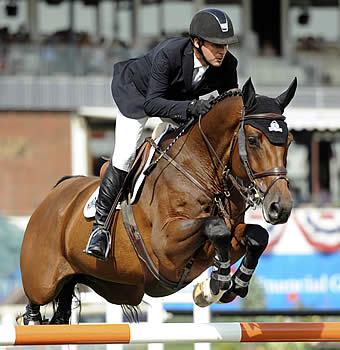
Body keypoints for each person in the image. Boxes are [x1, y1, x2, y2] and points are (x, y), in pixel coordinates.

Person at [84, 8, 239, 261]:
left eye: (226, 45)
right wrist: (190, 108)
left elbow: (232, 104)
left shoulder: (227, 64)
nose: (222, 51)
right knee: (124, 156)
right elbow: (153, 105)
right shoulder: (170, 53)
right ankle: (99, 228)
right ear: (197, 42)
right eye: (216, 45)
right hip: (138, 96)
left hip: (177, 100)